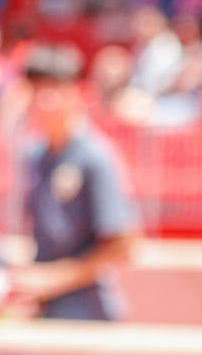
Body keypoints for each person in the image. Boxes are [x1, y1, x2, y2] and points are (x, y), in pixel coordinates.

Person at [8, 43, 140, 320]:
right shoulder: (34, 156)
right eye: (37, 88)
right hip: (47, 312)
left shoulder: (96, 156)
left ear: (75, 91)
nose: (45, 100)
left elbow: (123, 246)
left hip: (89, 315)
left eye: (54, 88)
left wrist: (53, 280)